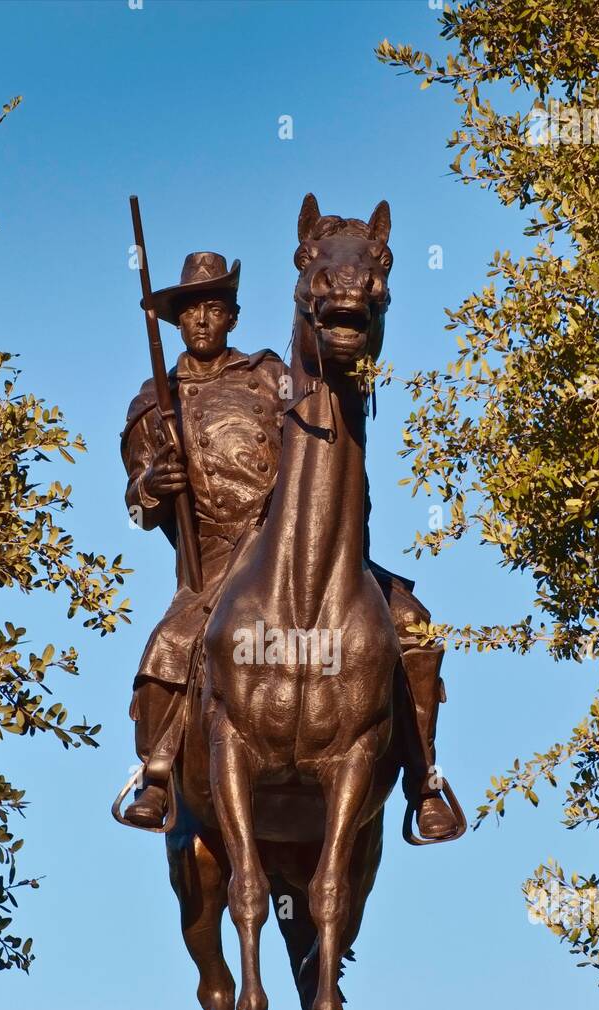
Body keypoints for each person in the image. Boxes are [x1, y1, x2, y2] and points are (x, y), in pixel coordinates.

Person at [120, 250, 457, 840]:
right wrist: (153, 484)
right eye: (192, 310)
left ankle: (424, 780)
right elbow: (135, 499)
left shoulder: (269, 376)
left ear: (233, 316)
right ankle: (157, 771)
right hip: (219, 561)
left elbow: (322, 446)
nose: (202, 320)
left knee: (414, 629)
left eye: (215, 308)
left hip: (300, 539)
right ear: (176, 321)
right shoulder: (155, 401)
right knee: (166, 653)